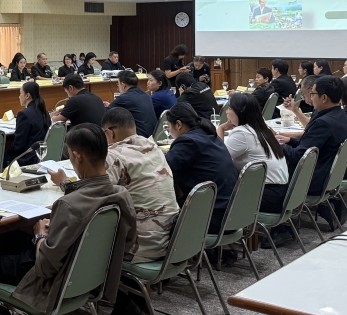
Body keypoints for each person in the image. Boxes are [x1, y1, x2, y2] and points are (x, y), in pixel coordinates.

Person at [0, 124, 136, 312]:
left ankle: (0, 310)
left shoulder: (68, 205)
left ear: (77, 156)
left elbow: (46, 267)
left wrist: (40, 235)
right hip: (90, 277)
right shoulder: (121, 195)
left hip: (48, 281)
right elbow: (127, 243)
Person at [98, 108, 178, 261]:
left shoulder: (113, 154)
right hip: (173, 240)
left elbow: (96, 195)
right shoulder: (154, 147)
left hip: (143, 246)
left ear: (110, 133)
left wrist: (64, 183)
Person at [165, 103, 236, 233]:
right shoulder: (210, 134)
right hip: (233, 212)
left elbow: (163, 171)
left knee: (161, 215)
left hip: (214, 216)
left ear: (178, 124)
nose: (169, 132)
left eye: (169, 127)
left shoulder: (188, 142)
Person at [217, 93, 288, 213]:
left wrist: (221, 129)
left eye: (229, 108)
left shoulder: (242, 133)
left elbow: (219, 157)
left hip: (266, 196)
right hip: (280, 192)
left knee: (219, 190)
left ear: (239, 111)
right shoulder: (262, 128)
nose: (227, 112)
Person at [278, 76, 347, 199]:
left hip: (311, 181)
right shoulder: (340, 115)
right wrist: (290, 140)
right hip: (329, 175)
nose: (311, 97)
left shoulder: (323, 123)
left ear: (324, 98)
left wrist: (277, 144)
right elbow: (313, 146)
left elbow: (298, 156)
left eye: (313, 94)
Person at [5, 82, 50, 167]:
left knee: (1, 159)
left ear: (27, 96)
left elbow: (18, 146)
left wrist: (6, 152)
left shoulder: (24, 114)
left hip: (27, 159)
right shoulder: (45, 112)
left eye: (20, 93)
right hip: (40, 155)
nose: (19, 96)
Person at [105, 71, 157, 138]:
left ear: (123, 85)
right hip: (152, 136)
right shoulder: (145, 94)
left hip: (139, 139)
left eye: (118, 84)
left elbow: (105, 113)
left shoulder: (124, 98)